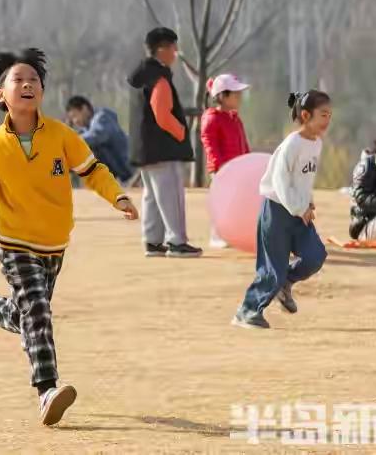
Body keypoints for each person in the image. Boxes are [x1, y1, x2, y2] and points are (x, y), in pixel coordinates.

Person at [0, 48, 138, 426]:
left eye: (33, 80)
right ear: (1, 93)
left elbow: (93, 170)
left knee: (27, 317)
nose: (27, 85)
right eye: (18, 80)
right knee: (38, 311)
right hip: (15, 246)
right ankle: (47, 391)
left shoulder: (62, 136)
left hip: (54, 247)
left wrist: (117, 195)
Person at [232, 91, 332, 330]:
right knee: (272, 269)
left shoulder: (316, 143)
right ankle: (247, 311)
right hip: (277, 212)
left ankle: (285, 283)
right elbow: (280, 182)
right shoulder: (292, 144)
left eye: (330, 115)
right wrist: (299, 206)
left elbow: (304, 179)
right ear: (306, 115)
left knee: (315, 256)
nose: (328, 120)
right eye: (323, 114)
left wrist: (308, 201)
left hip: (299, 212)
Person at [127, 27, 202, 258]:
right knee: (171, 194)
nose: (175, 53)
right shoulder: (159, 78)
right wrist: (180, 131)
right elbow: (161, 113)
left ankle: (152, 241)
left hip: (145, 147)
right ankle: (177, 241)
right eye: (172, 48)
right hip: (162, 147)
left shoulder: (141, 76)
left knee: (153, 194)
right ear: (162, 50)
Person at [200, 73, 252, 248]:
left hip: (238, 170)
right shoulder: (212, 118)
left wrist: (248, 162)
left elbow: (243, 143)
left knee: (237, 203)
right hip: (222, 170)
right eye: (235, 94)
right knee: (223, 204)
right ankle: (217, 235)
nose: (239, 97)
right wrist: (219, 166)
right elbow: (210, 144)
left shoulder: (234, 118)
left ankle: (233, 234)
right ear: (222, 96)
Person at [64, 96, 133, 184]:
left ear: (84, 109)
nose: (75, 121)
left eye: (75, 116)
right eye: (72, 119)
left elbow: (97, 136)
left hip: (128, 171)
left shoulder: (103, 117)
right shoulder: (85, 128)